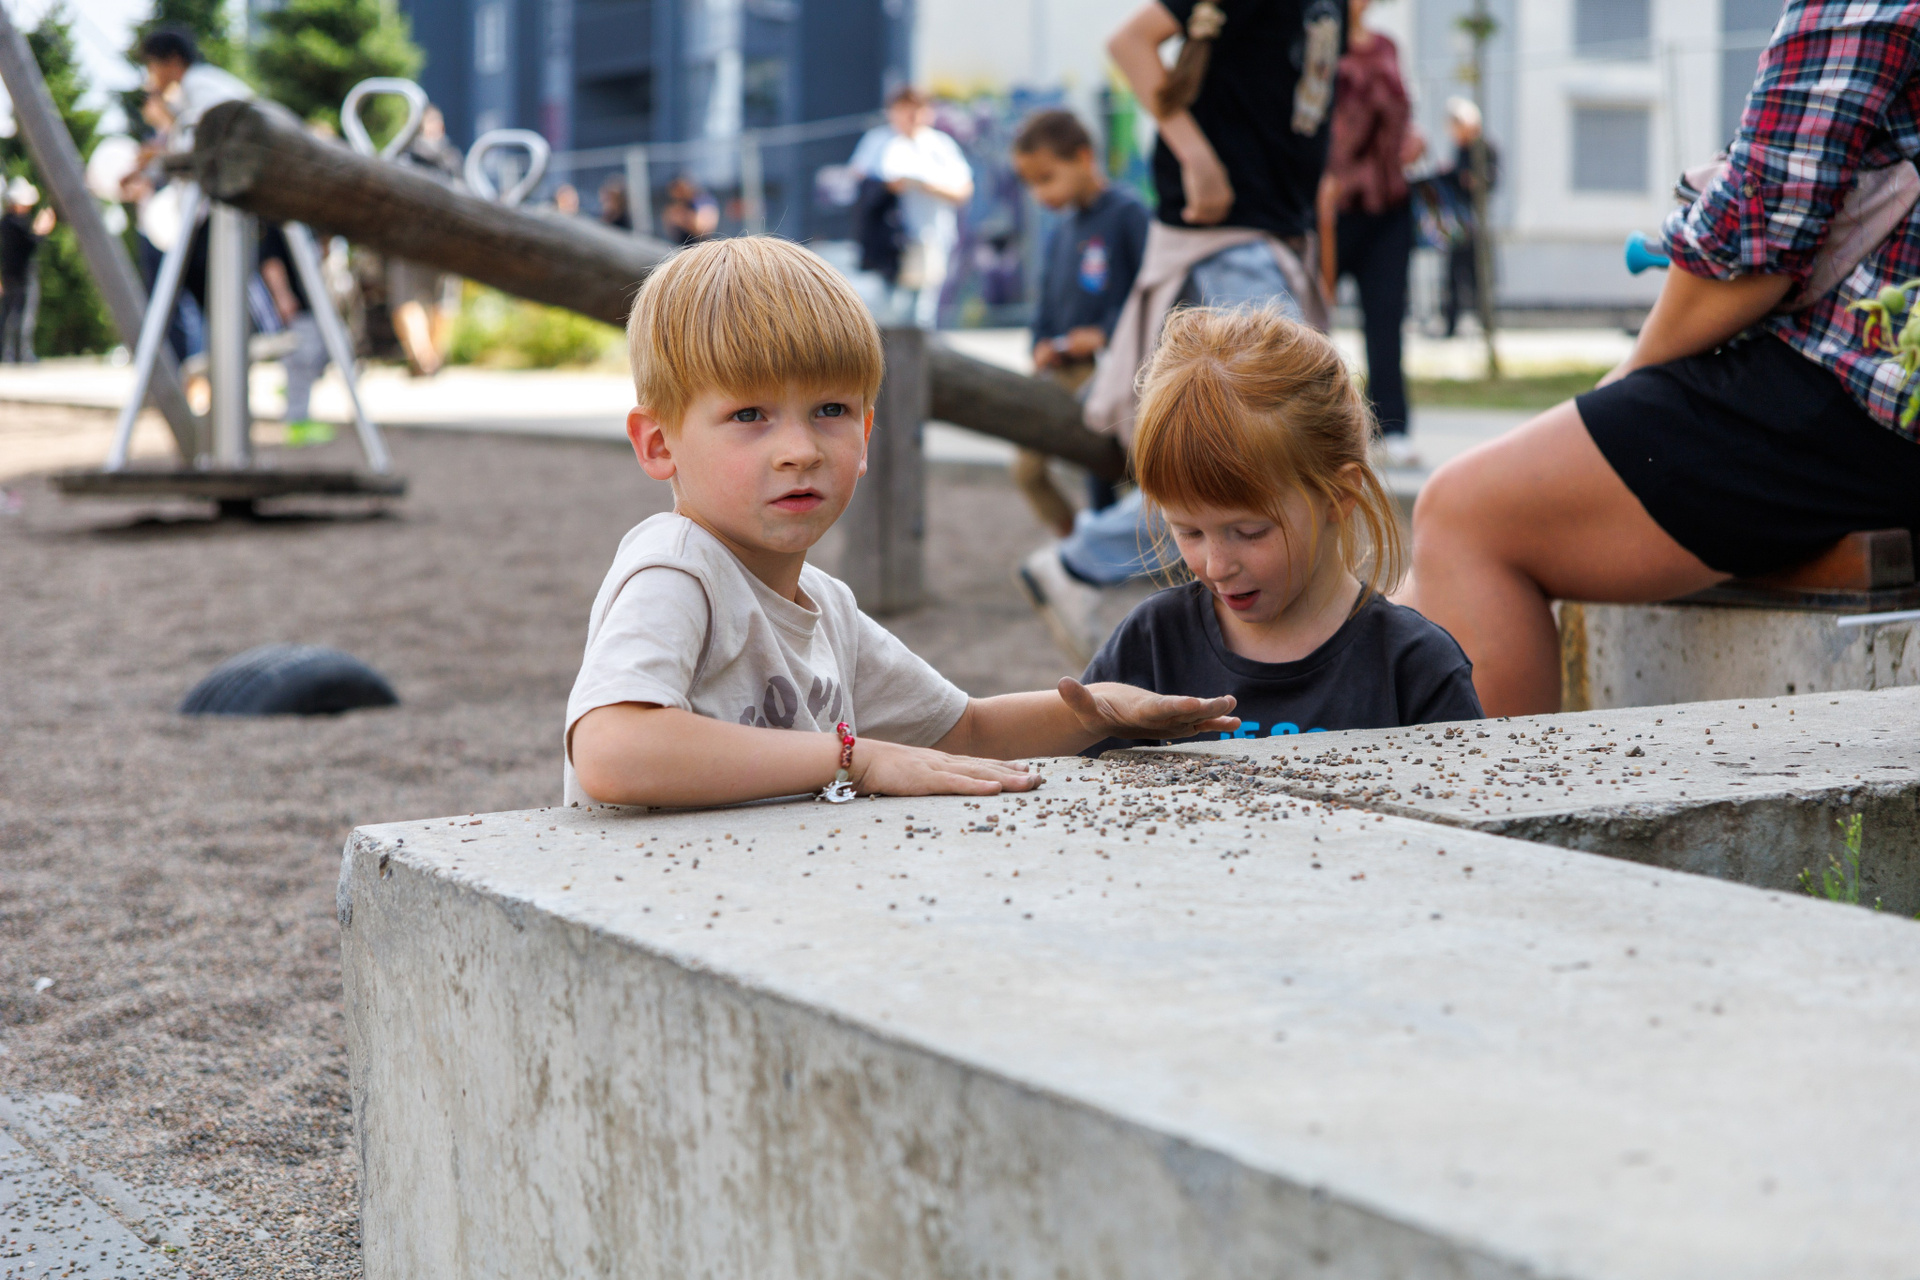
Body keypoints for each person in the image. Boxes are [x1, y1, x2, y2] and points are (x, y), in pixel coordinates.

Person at [563, 236, 1239, 808]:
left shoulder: (826, 606)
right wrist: (852, 758)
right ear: (659, 444)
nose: (799, 450)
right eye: (749, 415)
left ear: (866, 435)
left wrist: (1094, 710)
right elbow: (612, 748)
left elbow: (964, 731)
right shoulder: (678, 571)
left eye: (830, 411)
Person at [1405, 0, 1920, 717]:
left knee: (1465, 515)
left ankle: (1482, 794)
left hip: (1872, 386)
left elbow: (1757, 234)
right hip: (1884, 399)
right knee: (1424, 580)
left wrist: (1625, 381)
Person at [1016, 0, 1346, 664]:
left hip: (1269, 236)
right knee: (1262, 439)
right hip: (1226, 235)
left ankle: (1097, 564)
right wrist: (1198, 157)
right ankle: (1083, 562)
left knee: (1249, 443)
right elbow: (1132, 41)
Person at [1082, 307, 1481, 754]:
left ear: (1339, 496)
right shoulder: (1152, 645)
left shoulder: (1414, 667)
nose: (1217, 566)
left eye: (1250, 531)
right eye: (1189, 532)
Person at [1009, 108, 1150, 536]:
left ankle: (1129, 547)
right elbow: (1047, 303)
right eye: (1031, 183)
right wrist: (1040, 342)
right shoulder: (1061, 231)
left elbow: (1151, 292)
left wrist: (1104, 333)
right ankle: (1077, 543)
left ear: (1084, 158)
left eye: (1047, 177)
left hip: (1118, 369)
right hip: (1062, 371)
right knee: (1027, 470)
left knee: (1120, 468)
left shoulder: (1128, 213)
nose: (1039, 194)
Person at [1320, 0, 1422, 467]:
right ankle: (1312, 429)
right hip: (1332, 209)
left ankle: (1391, 427)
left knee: (1386, 320)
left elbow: (1398, 114)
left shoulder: (1386, 47)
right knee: (1312, 319)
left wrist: (1413, 140)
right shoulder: (1316, 43)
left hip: (1389, 204)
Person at [848, 87, 973, 329]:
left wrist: (924, 185)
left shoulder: (939, 145)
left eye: (917, 108)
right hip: (886, 241)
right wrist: (888, 186)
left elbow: (963, 190)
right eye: (904, 108)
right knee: (885, 311)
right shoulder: (878, 141)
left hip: (929, 236)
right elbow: (859, 179)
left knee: (920, 312)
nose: (911, 115)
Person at [388, 106, 463, 376]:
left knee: (408, 299)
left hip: (409, 238)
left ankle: (423, 356)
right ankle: (431, 357)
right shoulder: (451, 159)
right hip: (445, 238)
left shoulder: (402, 157)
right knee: (442, 299)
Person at [255, 222, 334, 447]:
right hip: (295, 306)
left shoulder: (308, 225)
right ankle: (296, 422)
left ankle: (290, 391)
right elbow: (271, 261)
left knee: (323, 352)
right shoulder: (279, 224)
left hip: (311, 303)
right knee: (302, 358)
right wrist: (282, 296)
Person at [1437, 97, 1497, 340]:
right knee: (1452, 275)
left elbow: (1490, 180)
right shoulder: (1459, 150)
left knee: (1479, 276)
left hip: (1476, 223)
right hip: (1457, 221)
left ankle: (1485, 324)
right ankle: (1450, 323)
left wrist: (1474, 181)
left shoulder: (1484, 148)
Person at [0, 179, 55, 364]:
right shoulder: (18, 224)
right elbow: (31, 245)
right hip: (22, 276)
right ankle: (23, 353)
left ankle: (8, 354)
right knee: (23, 317)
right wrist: (42, 230)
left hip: (9, 275)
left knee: (8, 316)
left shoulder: (5, 223)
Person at [661, 174, 719, 245]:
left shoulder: (703, 201)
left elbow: (702, 230)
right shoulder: (674, 206)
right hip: (680, 246)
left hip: (702, 246)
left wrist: (684, 219)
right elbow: (670, 230)